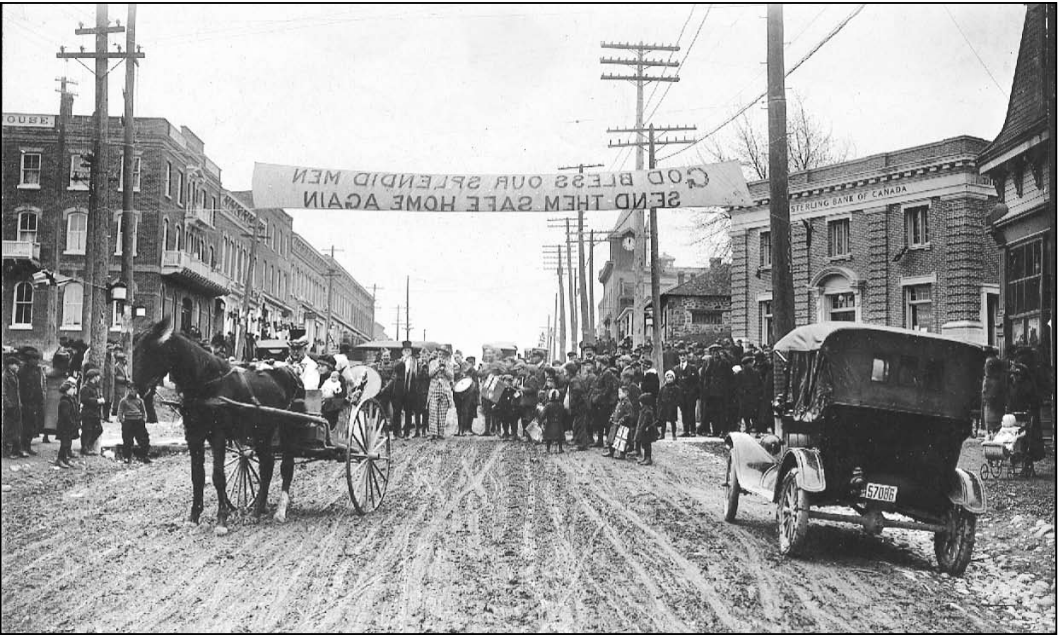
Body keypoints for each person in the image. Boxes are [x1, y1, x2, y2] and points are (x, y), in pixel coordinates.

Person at [17, 347, 46, 453]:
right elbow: (20, 388)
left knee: (32, 425)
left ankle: (28, 445)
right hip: (26, 402)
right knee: (25, 425)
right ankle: (23, 446)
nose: (36, 362)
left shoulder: (36, 371)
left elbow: (38, 386)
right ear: (29, 360)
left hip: (34, 402)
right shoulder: (22, 371)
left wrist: (40, 400)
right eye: (34, 359)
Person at [589, 356, 619, 448]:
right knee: (600, 422)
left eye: (597, 362)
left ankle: (608, 442)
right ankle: (600, 440)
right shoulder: (602, 373)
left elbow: (608, 389)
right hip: (601, 402)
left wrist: (599, 397)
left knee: (605, 422)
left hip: (605, 402)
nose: (596, 364)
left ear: (601, 363)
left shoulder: (607, 373)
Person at [391, 341, 418, 439]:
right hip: (399, 389)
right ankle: (395, 433)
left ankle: (406, 433)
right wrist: (403, 361)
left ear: (411, 352)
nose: (407, 352)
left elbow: (416, 375)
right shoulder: (399, 361)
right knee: (397, 411)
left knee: (408, 412)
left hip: (409, 390)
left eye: (409, 350)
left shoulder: (414, 362)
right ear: (402, 352)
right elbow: (396, 369)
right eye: (405, 350)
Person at [116, 387, 151, 464]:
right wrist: (122, 420)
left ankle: (145, 456)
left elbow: (143, 411)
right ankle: (127, 457)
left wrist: (143, 419)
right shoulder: (123, 401)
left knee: (143, 439)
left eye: (134, 389)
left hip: (138, 422)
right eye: (130, 389)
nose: (132, 391)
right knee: (127, 440)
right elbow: (120, 411)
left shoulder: (140, 401)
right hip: (128, 421)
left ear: (136, 391)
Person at [426, 349, 454, 440]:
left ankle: (440, 433)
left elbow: (451, 376)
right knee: (433, 411)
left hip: (445, 389)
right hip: (434, 388)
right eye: (440, 354)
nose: (441, 355)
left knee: (442, 412)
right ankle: (433, 433)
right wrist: (438, 367)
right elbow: (430, 374)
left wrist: (445, 368)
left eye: (443, 354)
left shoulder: (449, 364)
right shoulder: (433, 363)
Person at [604, 385, 635, 459]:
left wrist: (622, 420)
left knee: (622, 440)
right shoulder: (619, 403)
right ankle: (611, 451)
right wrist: (612, 417)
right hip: (615, 424)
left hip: (623, 425)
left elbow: (629, 414)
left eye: (620, 393)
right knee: (612, 438)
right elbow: (615, 411)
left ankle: (622, 454)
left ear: (626, 393)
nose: (619, 395)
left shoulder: (628, 404)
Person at [3, 356, 25, 458]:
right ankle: (9, 451)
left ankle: (17, 449)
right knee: (9, 429)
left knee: (18, 428)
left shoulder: (14, 375)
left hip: (16, 406)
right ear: (10, 365)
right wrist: (8, 405)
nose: (17, 367)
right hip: (10, 407)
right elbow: (3, 393)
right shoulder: (5, 376)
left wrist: (19, 403)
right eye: (15, 365)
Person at [54, 380, 79, 468]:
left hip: (69, 426)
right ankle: (60, 459)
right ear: (67, 390)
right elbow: (66, 416)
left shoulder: (71, 399)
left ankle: (65, 458)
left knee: (68, 443)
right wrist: (72, 422)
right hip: (65, 426)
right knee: (64, 444)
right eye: (72, 388)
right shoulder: (65, 402)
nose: (74, 390)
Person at [79, 369, 105, 455]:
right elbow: (85, 400)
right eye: (98, 376)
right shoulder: (85, 388)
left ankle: (88, 445)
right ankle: (85, 448)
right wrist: (97, 401)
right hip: (88, 413)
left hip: (95, 413)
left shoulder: (95, 387)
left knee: (98, 430)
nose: (99, 378)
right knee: (87, 430)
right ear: (94, 377)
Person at [735, 355, 763, 433]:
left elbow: (760, 384)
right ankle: (748, 428)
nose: (751, 365)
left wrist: (758, 393)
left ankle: (756, 429)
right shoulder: (740, 374)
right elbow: (737, 385)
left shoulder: (756, 373)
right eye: (749, 363)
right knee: (745, 414)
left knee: (754, 414)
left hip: (753, 396)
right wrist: (741, 392)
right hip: (744, 397)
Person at [981, 356, 1006, 438]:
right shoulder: (997, 381)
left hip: (992, 412)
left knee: (993, 432)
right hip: (995, 412)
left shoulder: (990, 381)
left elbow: (987, 397)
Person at [675, 350, 699, 437]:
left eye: (684, 355)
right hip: (681, 394)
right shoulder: (676, 369)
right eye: (680, 355)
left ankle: (693, 430)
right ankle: (686, 430)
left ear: (686, 356)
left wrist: (695, 393)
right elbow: (676, 382)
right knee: (683, 412)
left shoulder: (692, 368)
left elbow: (697, 382)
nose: (682, 357)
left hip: (690, 394)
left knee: (691, 412)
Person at [634, 392, 658, 465]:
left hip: (647, 431)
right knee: (644, 444)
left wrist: (641, 428)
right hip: (644, 430)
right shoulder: (644, 410)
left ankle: (648, 458)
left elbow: (645, 421)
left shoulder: (647, 411)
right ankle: (645, 457)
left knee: (647, 445)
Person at [657, 370, 681, 441]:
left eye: (671, 377)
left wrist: (676, 403)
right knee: (663, 421)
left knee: (672, 421)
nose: (669, 379)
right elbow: (660, 397)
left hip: (672, 407)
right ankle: (662, 434)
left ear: (673, 379)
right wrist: (660, 405)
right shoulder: (663, 388)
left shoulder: (676, 388)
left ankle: (674, 434)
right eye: (668, 377)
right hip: (664, 407)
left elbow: (679, 397)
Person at [541, 388, 566, 454]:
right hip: (558, 423)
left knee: (548, 437)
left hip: (550, 423)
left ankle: (548, 449)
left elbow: (543, 415)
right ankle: (560, 448)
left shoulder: (548, 405)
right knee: (559, 437)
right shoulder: (561, 405)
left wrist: (540, 421)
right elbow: (563, 414)